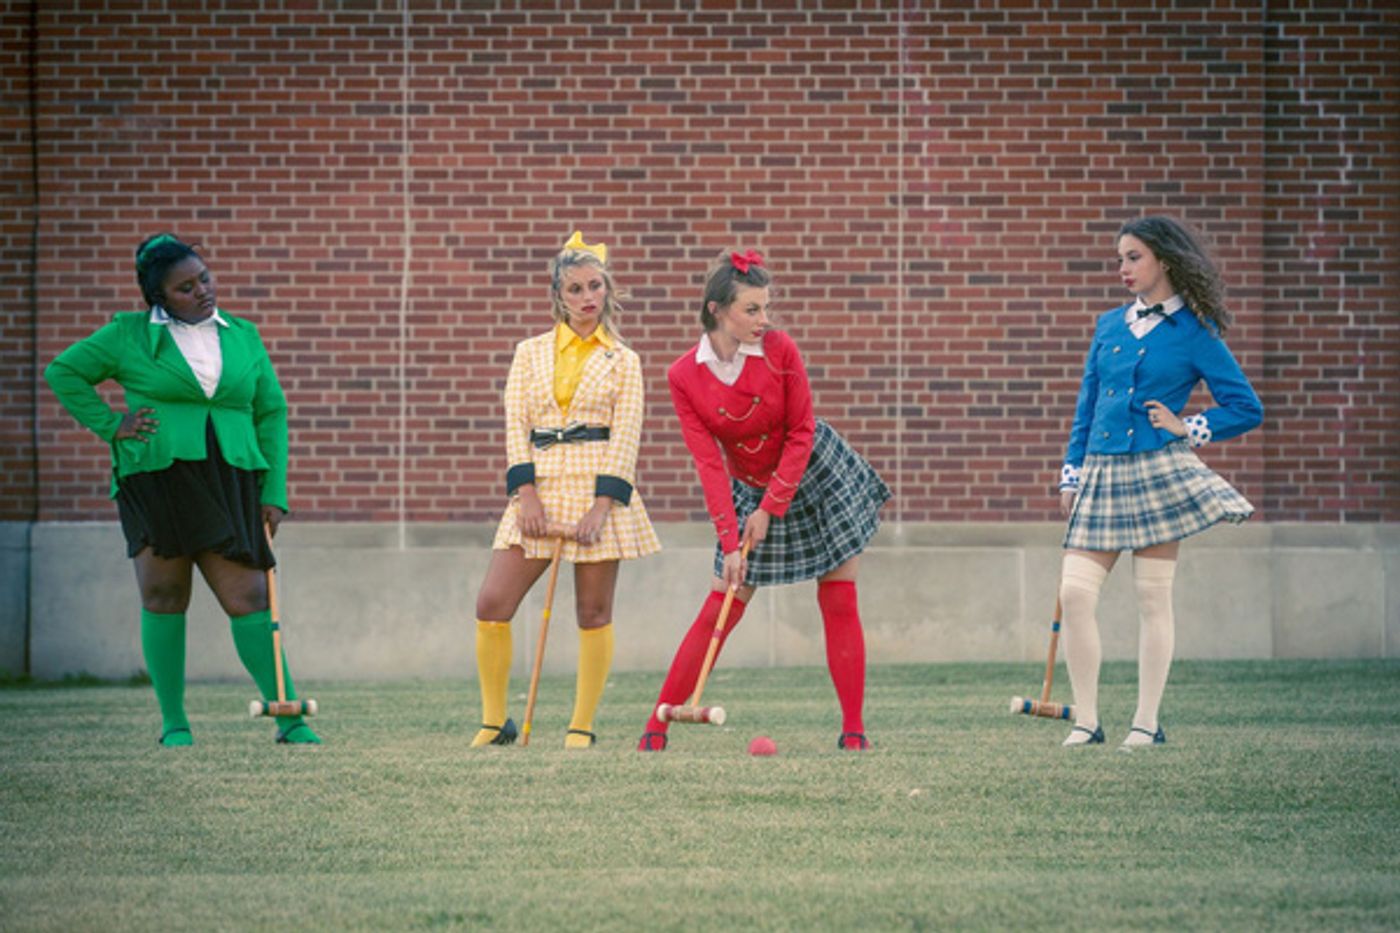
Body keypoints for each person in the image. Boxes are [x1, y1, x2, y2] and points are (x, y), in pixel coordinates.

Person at [44, 233, 319, 747]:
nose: (202, 291)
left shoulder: (243, 334)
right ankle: (174, 723)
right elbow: (64, 372)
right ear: (160, 296)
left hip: (231, 477)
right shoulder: (127, 334)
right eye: (185, 288)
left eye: (204, 279)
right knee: (164, 594)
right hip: (157, 477)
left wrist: (274, 490)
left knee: (250, 594)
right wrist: (112, 425)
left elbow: (271, 412)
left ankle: (290, 719)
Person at [637, 250, 891, 752]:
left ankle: (854, 731)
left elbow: (801, 432)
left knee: (839, 595)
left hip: (815, 473)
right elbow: (709, 464)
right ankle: (655, 727)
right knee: (721, 602)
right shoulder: (683, 375)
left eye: (765, 307)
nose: (764, 319)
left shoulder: (780, 349)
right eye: (751, 309)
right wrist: (731, 539)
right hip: (745, 486)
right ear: (717, 310)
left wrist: (770, 508)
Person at [1055, 215, 1263, 749]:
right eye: (1120, 259)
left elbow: (1246, 407)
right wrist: (1071, 474)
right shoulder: (1108, 326)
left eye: (1133, 257)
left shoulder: (1195, 332)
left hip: (1157, 474)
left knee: (1152, 599)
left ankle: (1146, 723)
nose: (1122, 268)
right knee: (1074, 594)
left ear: (1163, 261)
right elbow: (1087, 406)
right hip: (1101, 472)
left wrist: (1188, 426)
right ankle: (1087, 721)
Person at [470, 231, 660, 749]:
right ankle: (494, 721)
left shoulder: (624, 360)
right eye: (575, 289)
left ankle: (581, 725)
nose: (587, 297)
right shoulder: (528, 352)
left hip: (597, 487)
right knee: (492, 602)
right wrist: (525, 494)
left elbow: (627, 436)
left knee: (593, 612)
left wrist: (602, 506)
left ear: (607, 289)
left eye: (595, 286)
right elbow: (515, 424)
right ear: (559, 295)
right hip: (541, 485)